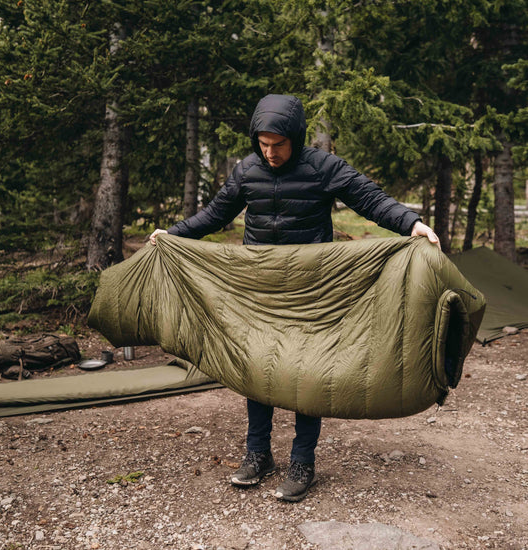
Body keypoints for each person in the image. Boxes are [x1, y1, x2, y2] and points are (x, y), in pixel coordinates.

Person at [150, 94, 440, 502]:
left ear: (296, 138)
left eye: (278, 145)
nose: (269, 153)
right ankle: (258, 455)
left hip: (313, 289)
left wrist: (412, 223)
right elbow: (215, 215)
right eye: (263, 144)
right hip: (260, 286)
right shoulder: (247, 169)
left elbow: (370, 198)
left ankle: (303, 462)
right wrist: (173, 234)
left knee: (308, 370)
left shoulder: (323, 167)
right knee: (257, 364)